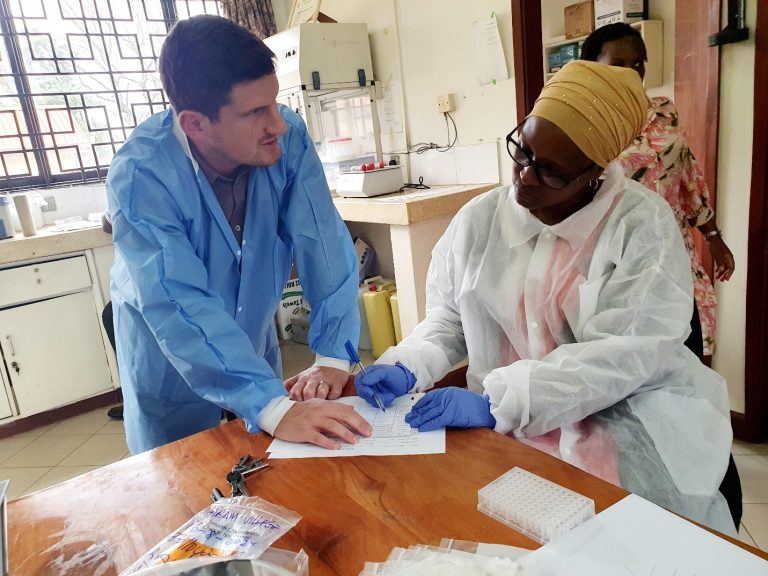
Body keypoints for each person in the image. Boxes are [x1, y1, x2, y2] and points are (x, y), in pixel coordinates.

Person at [355, 60, 738, 536]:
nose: (526, 178)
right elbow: (452, 319)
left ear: (595, 173)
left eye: (552, 172)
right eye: (523, 151)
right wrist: (410, 363)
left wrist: (502, 403)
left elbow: (621, 359)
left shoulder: (642, 230)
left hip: (621, 424)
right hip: (505, 426)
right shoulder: (480, 221)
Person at [107, 15, 371, 454]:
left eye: (274, 102)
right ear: (194, 124)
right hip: (173, 359)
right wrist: (273, 407)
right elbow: (177, 302)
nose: (279, 125)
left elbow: (322, 242)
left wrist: (332, 358)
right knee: (184, 486)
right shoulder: (141, 178)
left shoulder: (287, 140)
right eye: (255, 113)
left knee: (271, 476)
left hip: (251, 340)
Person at [580, 22, 735, 358]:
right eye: (618, 64)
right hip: (613, 265)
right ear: (594, 67)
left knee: (690, 355)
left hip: (673, 257)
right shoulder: (581, 121)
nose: (632, 73)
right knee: (629, 365)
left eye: (638, 63)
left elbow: (688, 178)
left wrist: (714, 238)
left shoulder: (664, 112)